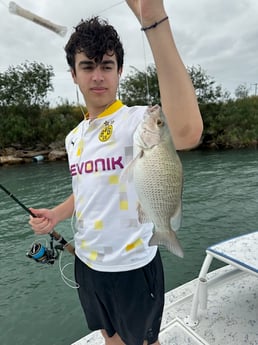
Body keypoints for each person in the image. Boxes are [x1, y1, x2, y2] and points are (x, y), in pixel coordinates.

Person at [29, 1, 203, 344]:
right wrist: (57, 214)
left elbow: (186, 132)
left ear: (120, 71)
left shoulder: (136, 123)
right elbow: (88, 188)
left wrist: (154, 23)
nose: (97, 76)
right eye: (87, 66)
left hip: (133, 269)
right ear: (73, 74)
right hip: (88, 264)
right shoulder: (73, 137)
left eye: (107, 66)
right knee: (109, 337)